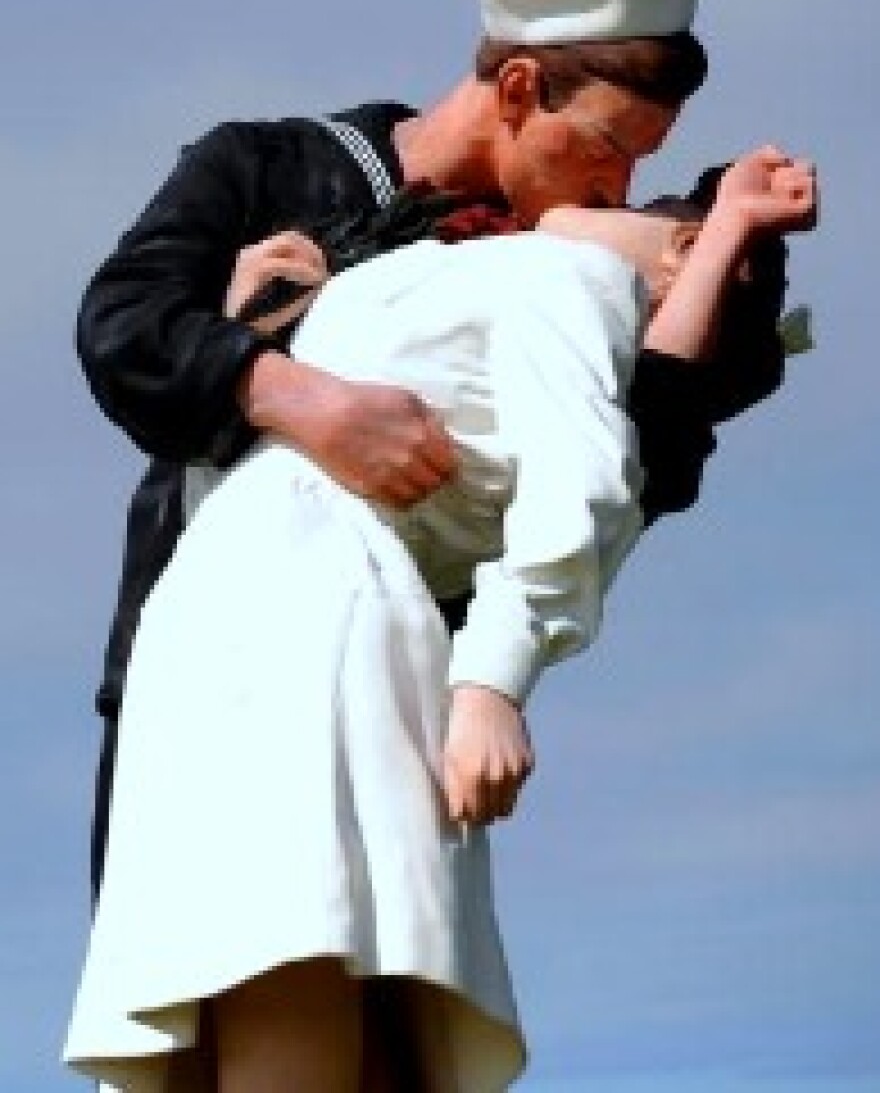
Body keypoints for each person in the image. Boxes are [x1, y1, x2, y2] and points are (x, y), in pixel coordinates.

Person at [63, 147, 817, 1093]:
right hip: (269, 610)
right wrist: (242, 327)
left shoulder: (564, 277)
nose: (590, 200)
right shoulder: (495, 270)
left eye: (635, 207)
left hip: (284, 611)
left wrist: (492, 684)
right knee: (307, 973)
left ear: (676, 255)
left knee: (304, 969)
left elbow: (595, 478)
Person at [82, 0, 718, 898]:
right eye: (606, 146)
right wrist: (304, 397)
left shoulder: (563, 264)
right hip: (202, 672)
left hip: (414, 704)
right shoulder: (264, 166)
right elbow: (124, 327)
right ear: (515, 89)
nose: (617, 190)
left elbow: (642, 474)